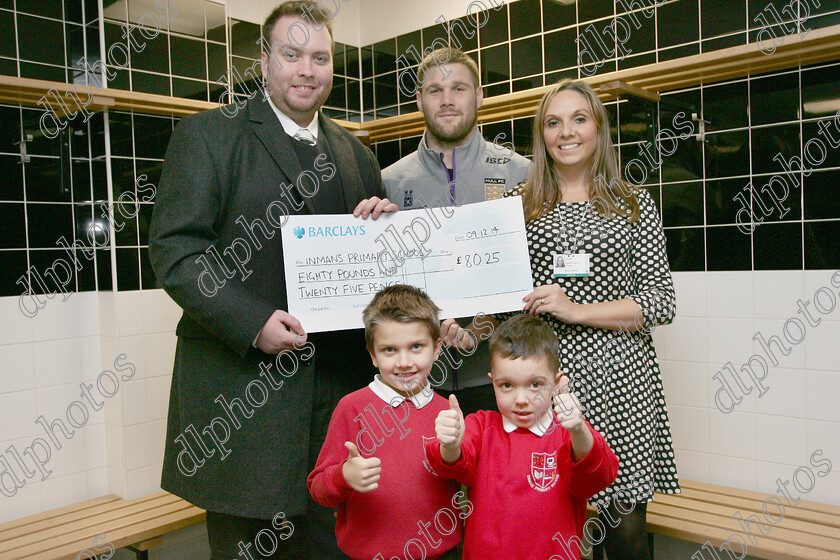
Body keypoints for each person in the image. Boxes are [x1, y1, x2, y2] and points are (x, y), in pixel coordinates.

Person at [149, 3, 396, 559]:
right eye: (291, 55)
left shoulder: (357, 155)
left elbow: (374, 275)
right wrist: (252, 321)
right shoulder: (209, 136)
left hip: (337, 400)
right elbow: (175, 250)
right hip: (245, 400)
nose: (307, 70)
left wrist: (384, 234)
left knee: (334, 546)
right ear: (264, 61)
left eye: (320, 57)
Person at [515, 78, 679, 559]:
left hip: (621, 383)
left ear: (599, 129)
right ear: (542, 135)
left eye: (579, 119)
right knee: (547, 518)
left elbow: (661, 302)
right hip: (546, 382)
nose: (566, 132)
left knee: (622, 526)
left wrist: (575, 310)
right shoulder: (520, 209)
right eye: (553, 122)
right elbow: (497, 298)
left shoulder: (631, 203)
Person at [382, 47, 531, 415]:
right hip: (415, 381)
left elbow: (535, 273)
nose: (447, 101)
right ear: (419, 100)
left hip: (503, 376)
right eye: (435, 91)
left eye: (459, 89)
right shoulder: (387, 182)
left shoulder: (522, 174)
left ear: (479, 95)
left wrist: (482, 327)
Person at [427, 314, 618, 559]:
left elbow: (600, 474)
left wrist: (579, 429)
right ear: (492, 382)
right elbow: (451, 464)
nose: (520, 399)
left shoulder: (566, 432)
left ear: (557, 383)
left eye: (535, 384)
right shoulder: (481, 426)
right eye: (507, 385)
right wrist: (450, 443)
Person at [307, 285, 464, 560]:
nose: (404, 362)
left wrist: (455, 450)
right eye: (389, 350)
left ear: (437, 348)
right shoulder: (351, 407)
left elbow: (468, 481)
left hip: (443, 553)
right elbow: (319, 489)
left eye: (416, 347)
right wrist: (344, 475)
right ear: (373, 355)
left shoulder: (448, 413)